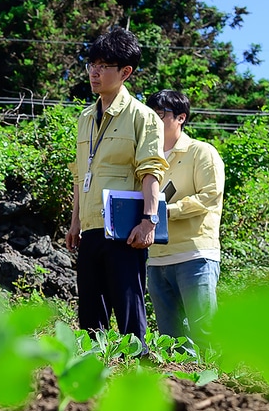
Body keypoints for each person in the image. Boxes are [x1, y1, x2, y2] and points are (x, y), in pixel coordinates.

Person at [64, 28, 166, 352]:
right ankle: (93, 375)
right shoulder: (84, 118)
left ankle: (139, 371)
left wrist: (149, 221)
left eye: (104, 65)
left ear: (125, 72)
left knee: (128, 308)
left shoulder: (144, 117)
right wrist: (75, 221)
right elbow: (81, 174)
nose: (95, 71)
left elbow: (151, 172)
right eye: (91, 63)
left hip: (125, 230)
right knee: (90, 312)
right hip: (91, 226)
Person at [145, 89, 225, 347]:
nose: (155, 120)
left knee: (205, 332)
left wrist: (166, 211)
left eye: (161, 114)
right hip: (156, 257)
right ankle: (181, 388)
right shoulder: (147, 158)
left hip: (195, 254)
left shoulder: (201, 152)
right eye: (151, 115)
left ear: (181, 117)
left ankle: (218, 386)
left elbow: (210, 196)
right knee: (171, 340)